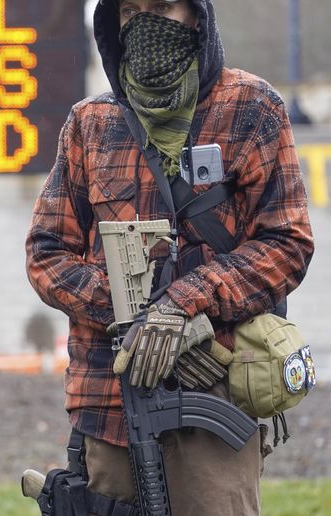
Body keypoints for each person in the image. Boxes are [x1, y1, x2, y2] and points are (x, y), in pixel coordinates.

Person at [25, 0, 313, 514]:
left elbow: (287, 244)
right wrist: (134, 318)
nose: (145, 22)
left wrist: (182, 307)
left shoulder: (252, 108)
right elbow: (47, 254)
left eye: (162, 6)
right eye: (130, 10)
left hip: (218, 392)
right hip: (110, 402)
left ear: (197, 15)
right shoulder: (90, 123)